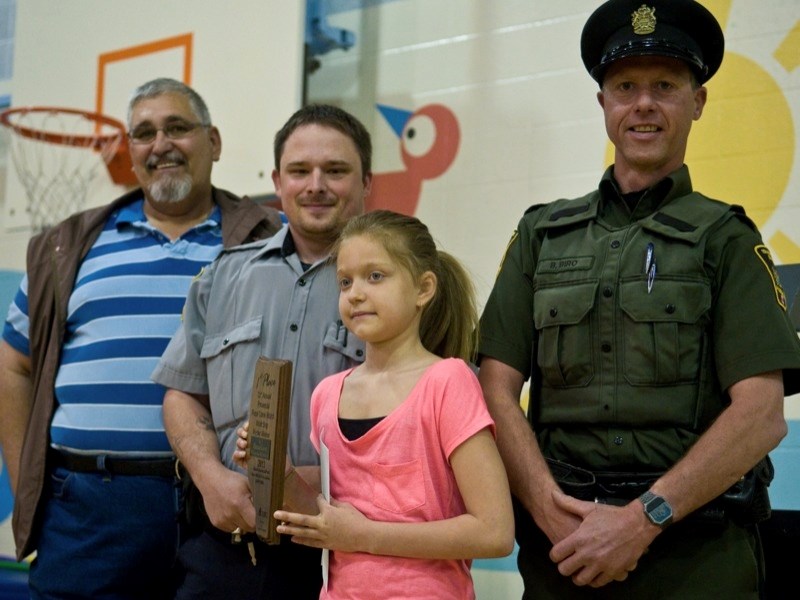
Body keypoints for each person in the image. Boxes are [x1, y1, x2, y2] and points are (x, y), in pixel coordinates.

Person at [477, 1, 800, 598]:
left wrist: (639, 521)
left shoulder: (727, 239)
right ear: (603, 103)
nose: (643, 103)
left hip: (695, 560)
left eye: (665, 85)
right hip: (565, 553)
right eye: (625, 86)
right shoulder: (540, 236)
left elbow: (760, 412)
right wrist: (550, 515)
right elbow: (492, 388)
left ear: (697, 101)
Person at [0, 77, 281, 599]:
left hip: (220, 503)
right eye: (145, 133)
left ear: (213, 142)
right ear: (129, 153)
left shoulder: (268, 238)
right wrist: (29, 488)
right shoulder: (68, 248)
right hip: (87, 511)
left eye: (177, 127)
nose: (161, 144)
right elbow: (12, 367)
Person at [151, 104, 372, 599]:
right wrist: (210, 479)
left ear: (367, 182)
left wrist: (313, 483)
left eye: (335, 170)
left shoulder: (402, 283)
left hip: (352, 555)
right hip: (226, 548)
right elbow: (182, 395)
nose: (315, 184)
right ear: (278, 180)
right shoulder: (224, 276)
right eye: (299, 171)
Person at [236, 210, 515, 599]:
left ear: (423, 289)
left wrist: (365, 535)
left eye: (376, 276)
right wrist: (277, 471)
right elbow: (325, 520)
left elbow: (495, 532)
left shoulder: (447, 382)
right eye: (345, 282)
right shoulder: (327, 394)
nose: (356, 293)